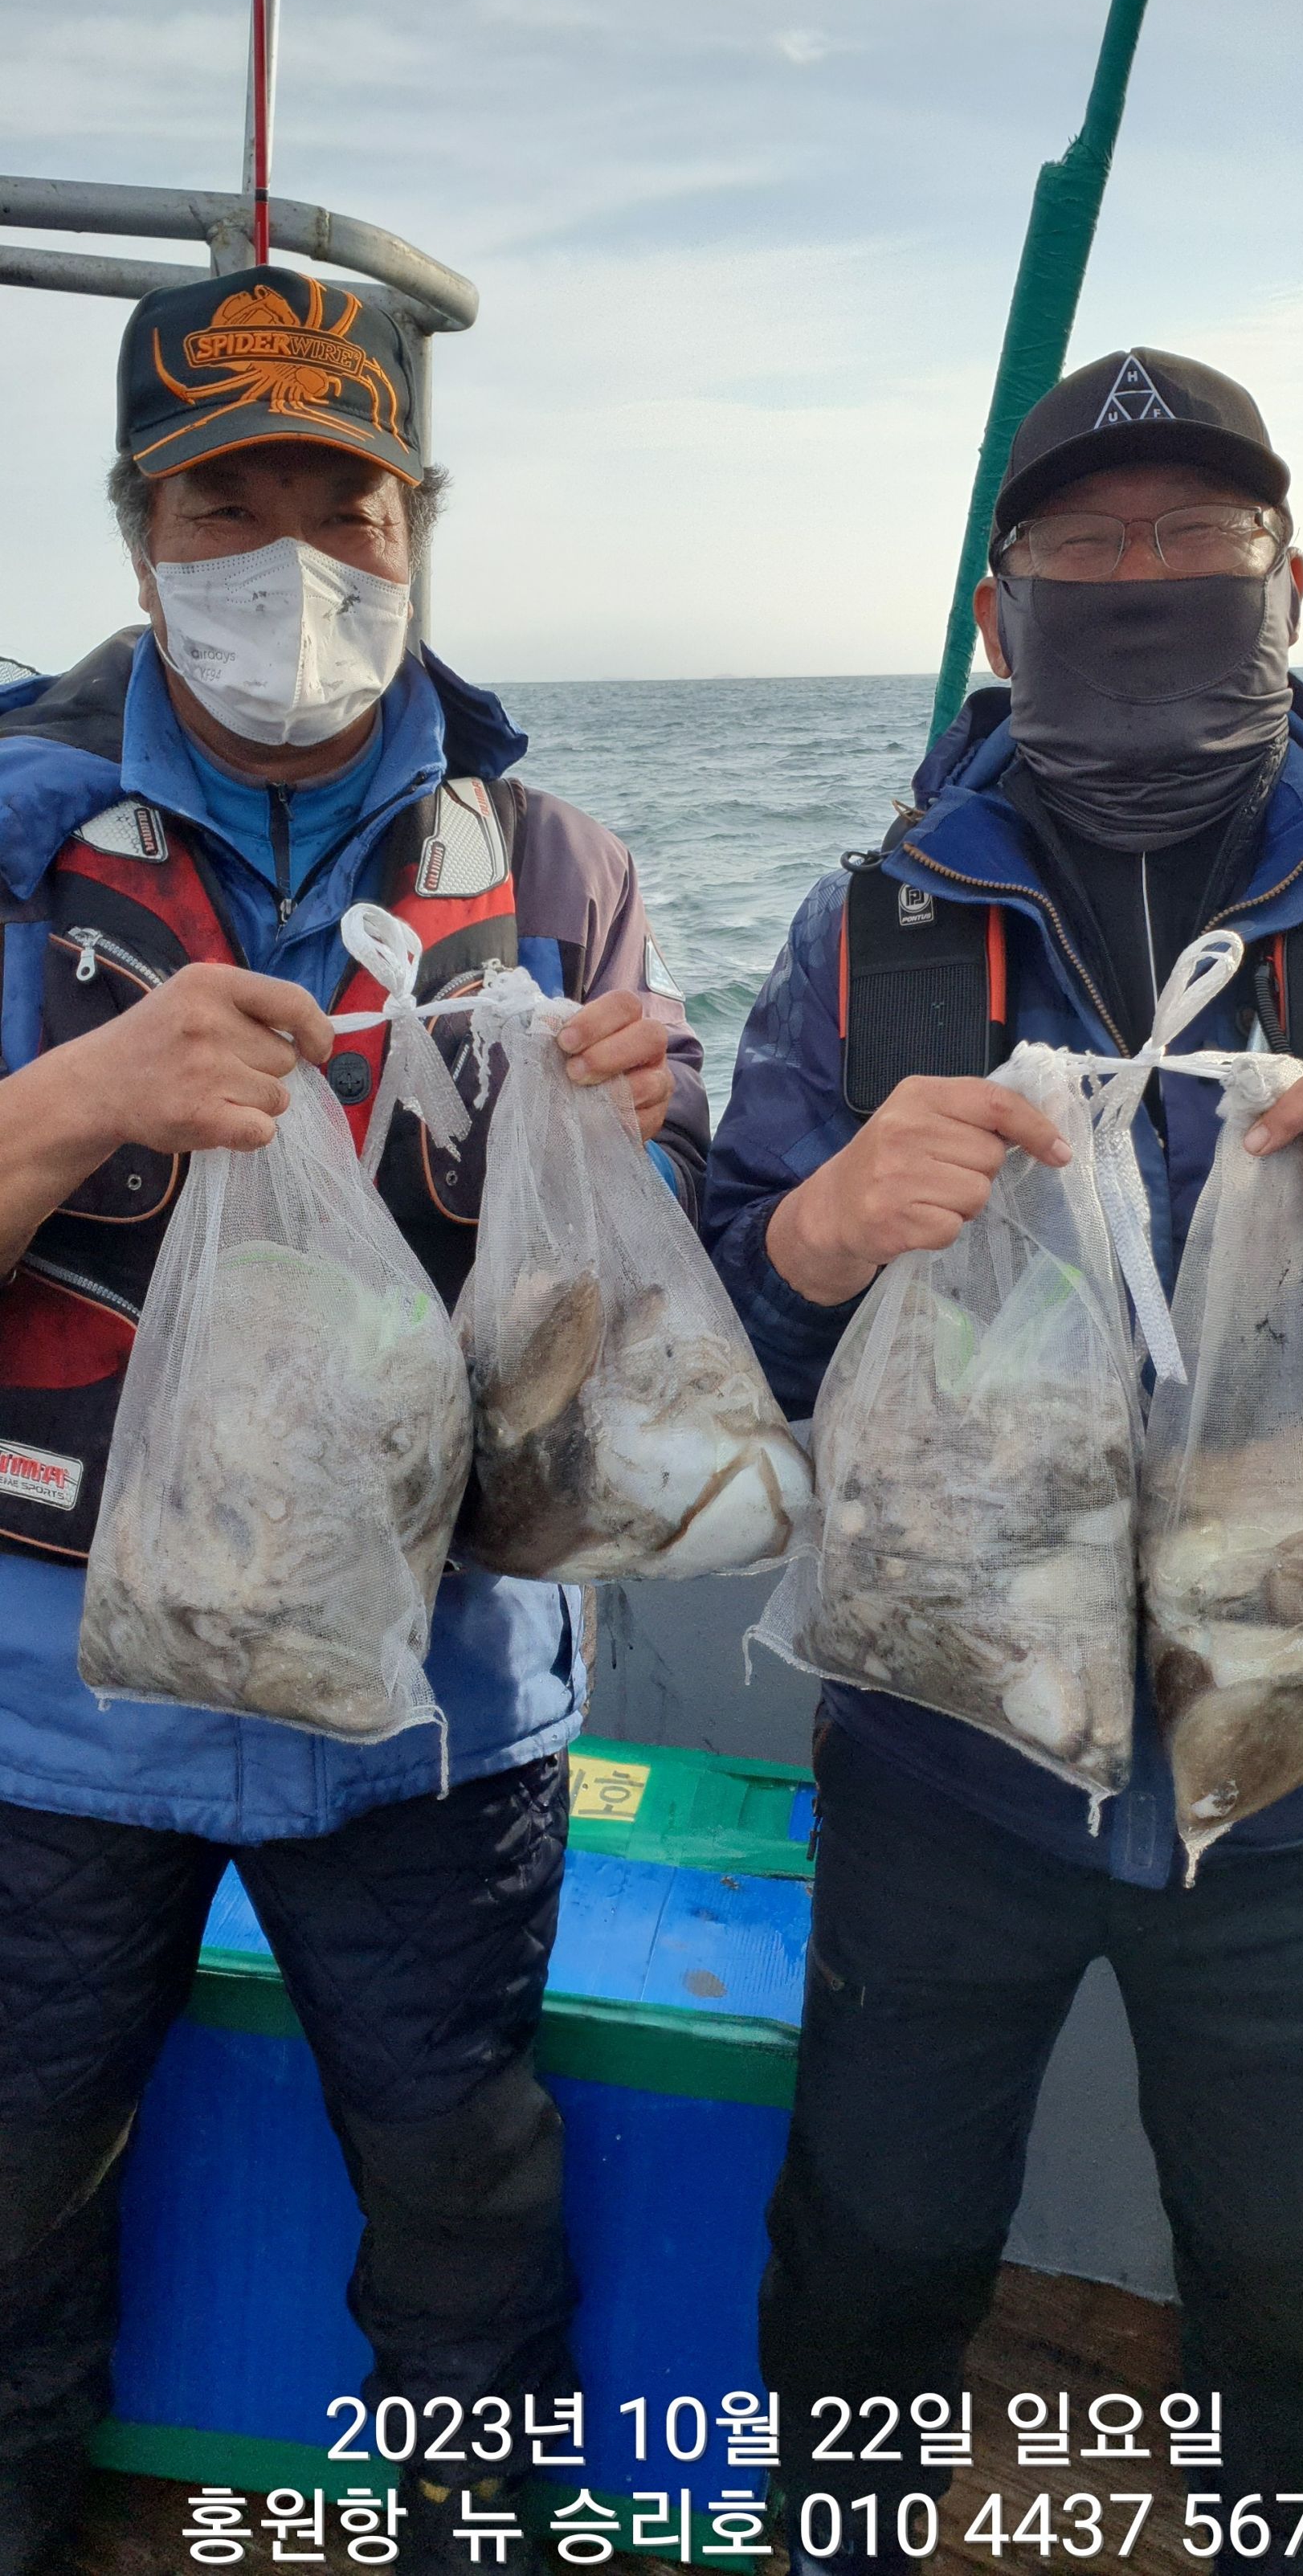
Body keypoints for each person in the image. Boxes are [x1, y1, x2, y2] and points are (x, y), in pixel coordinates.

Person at [704, 348, 1303, 2574]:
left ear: (1292, 583)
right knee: (872, 2249)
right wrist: (812, 1231)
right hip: (947, 1759)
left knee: (1299, 2278)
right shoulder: (868, 929)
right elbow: (724, 1336)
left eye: (1200, 539)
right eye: (1089, 546)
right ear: (1002, 611)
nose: (1146, 578)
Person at [0, 263, 708, 2576]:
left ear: (420, 534)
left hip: (437, 1722)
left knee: (465, 2206)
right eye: (228, 503)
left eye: (350, 504)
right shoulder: (9, 843)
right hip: (46, 1717)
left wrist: (638, 1143)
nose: (290, 558)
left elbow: (618, 1357)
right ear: (138, 539)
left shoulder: (566, 867)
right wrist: (84, 1095)